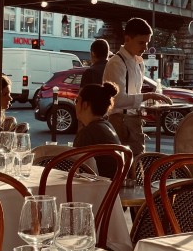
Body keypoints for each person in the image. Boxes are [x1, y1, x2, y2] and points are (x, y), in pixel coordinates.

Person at [103, 17, 171, 158]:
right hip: (120, 122)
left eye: (147, 43)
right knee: (127, 165)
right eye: (141, 42)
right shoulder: (116, 63)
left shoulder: (139, 63)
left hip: (133, 121)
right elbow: (117, 100)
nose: (145, 47)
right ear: (127, 39)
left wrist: (149, 105)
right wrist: (149, 96)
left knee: (138, 163)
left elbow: (133, 96)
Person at [73, 82, 126, 178]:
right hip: (112, 187)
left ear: (85, 105)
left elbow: (76, 171)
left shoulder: (87, 133)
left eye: (77, 101)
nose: (75, 105)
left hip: (96, 188)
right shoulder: (107, 126)